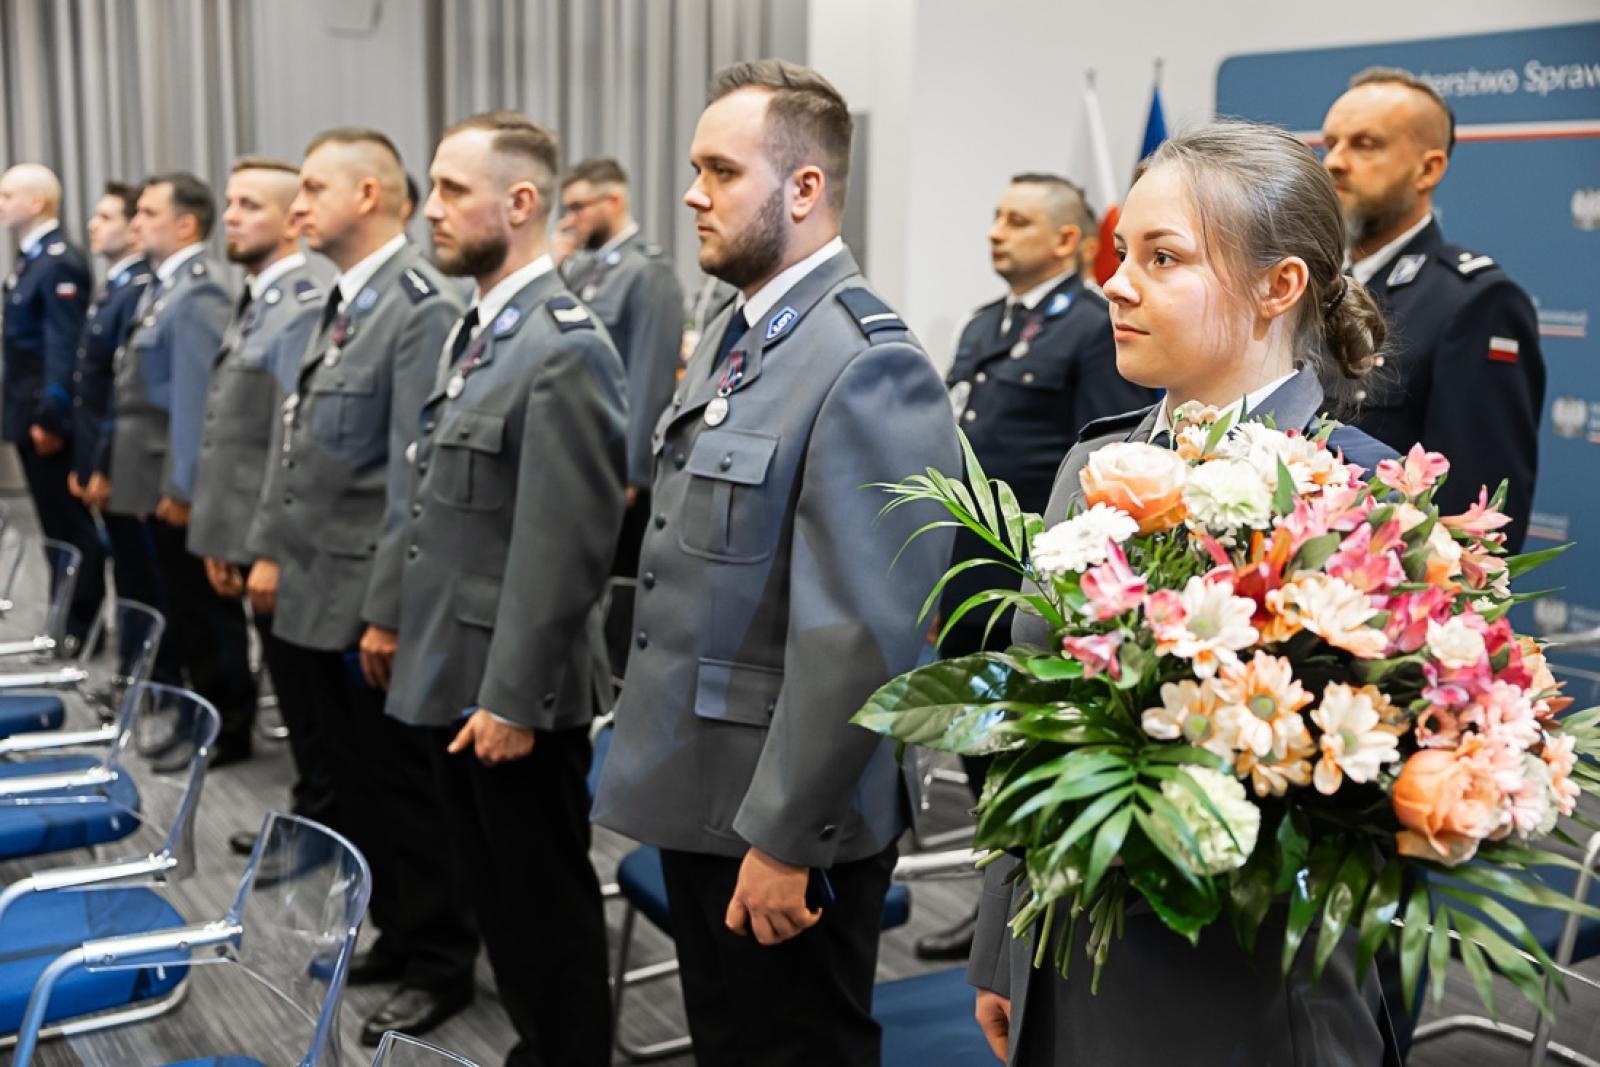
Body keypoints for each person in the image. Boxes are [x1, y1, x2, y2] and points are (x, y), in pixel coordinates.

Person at [967, 121, 1401, 1066]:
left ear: (1278, 286)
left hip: (1244, 991)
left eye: (1163, 257)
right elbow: (1024, 715)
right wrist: (1001, 940)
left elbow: (1370, 806)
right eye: (1123, 251)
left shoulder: (1362, 494)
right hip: (1068, 953)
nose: (1116, 283)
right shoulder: (1095, 462)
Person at [592, 59, 960, 1066]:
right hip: (705, 777)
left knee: (796, 1047)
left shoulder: (865, 358)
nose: (691, 192)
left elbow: (860, 637)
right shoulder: (737, 329)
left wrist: (786, 837)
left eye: (719, 169)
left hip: (785, 807)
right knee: (731, 1042)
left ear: (804, 190)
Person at [388, 111, 626, 1067]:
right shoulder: (483, 328)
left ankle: (568, 1054)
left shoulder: (563, 343)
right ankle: (542, 1044)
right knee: (496, 895)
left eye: (451, 190)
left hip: (515, 688)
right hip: (464, 663)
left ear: (519, 203)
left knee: (540, 903)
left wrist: (510, 696)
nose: (430, 212)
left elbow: (565, 546)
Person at [244, 127, 476, 1044]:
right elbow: (299, 444)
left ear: (371, 194)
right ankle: (399, 928)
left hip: (364, 603)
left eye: (311, 188)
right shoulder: (342, 302)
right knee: (352, 784)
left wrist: (384, 610)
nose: (296, 206)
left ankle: (439, 959)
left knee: (402, 793)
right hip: (310, 588)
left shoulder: (416, 306)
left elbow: (409, 472)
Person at [919, 174, 1155, 962]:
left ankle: (1016, 901)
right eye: (993, 216)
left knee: (1017, 744)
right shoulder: (990, 323)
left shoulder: (1093, 328)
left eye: (1016, 220)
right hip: (967, 571)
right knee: (974, 740)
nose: (996, 231)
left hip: (1034, 577)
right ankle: (992, 893)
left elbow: (1105, 460)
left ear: (1065, 239)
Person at [1323, 66, 1544, 553]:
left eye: (1364, 144)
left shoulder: (1475, 302)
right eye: (1331, 142)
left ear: (1428, 168)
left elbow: (1478, 525)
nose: (1335, 161)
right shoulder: (1311, 288)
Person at [187, 157, 333, 852]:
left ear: (290, 220)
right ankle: (310, 816)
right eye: (231, 203)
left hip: (284, 537)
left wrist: (265, 543)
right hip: (247, 529)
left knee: (312, 709)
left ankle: (317, 831)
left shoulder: (303, 300)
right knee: (299, 698)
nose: (232, 216)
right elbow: (231, 429)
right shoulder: (261, 297)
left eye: (249, 204)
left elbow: (287, 436)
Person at [107, 172, 258, 763]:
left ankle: (226, 725)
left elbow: (196, 401)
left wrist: (185, 486)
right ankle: (202, 717)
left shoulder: (197, 291)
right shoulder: (166, 286)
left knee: (204, 613)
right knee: (183, 609)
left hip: (181, 484)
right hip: (158, 476)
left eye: (148, 213)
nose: (136, 223)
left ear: (185, 224)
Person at [558, 156, 686, 670]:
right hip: (577, 457)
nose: (569, 220)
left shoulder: (648, 273)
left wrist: (631, 470)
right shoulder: (582, 269)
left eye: (579, 207)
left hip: (615, 470)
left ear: (615, 201)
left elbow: (649, 378)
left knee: (616, 592)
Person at [0, 163, 106, 650]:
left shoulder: (58, 261)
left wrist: (52, 415)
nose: (1, 204)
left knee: (69, 526)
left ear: (37, 202)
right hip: (26, 412)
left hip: (46, 419)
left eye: (7, 195)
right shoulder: (31, 260)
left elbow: (63, 348)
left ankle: (81, 625)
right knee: (52, 526)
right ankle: (66, 615)